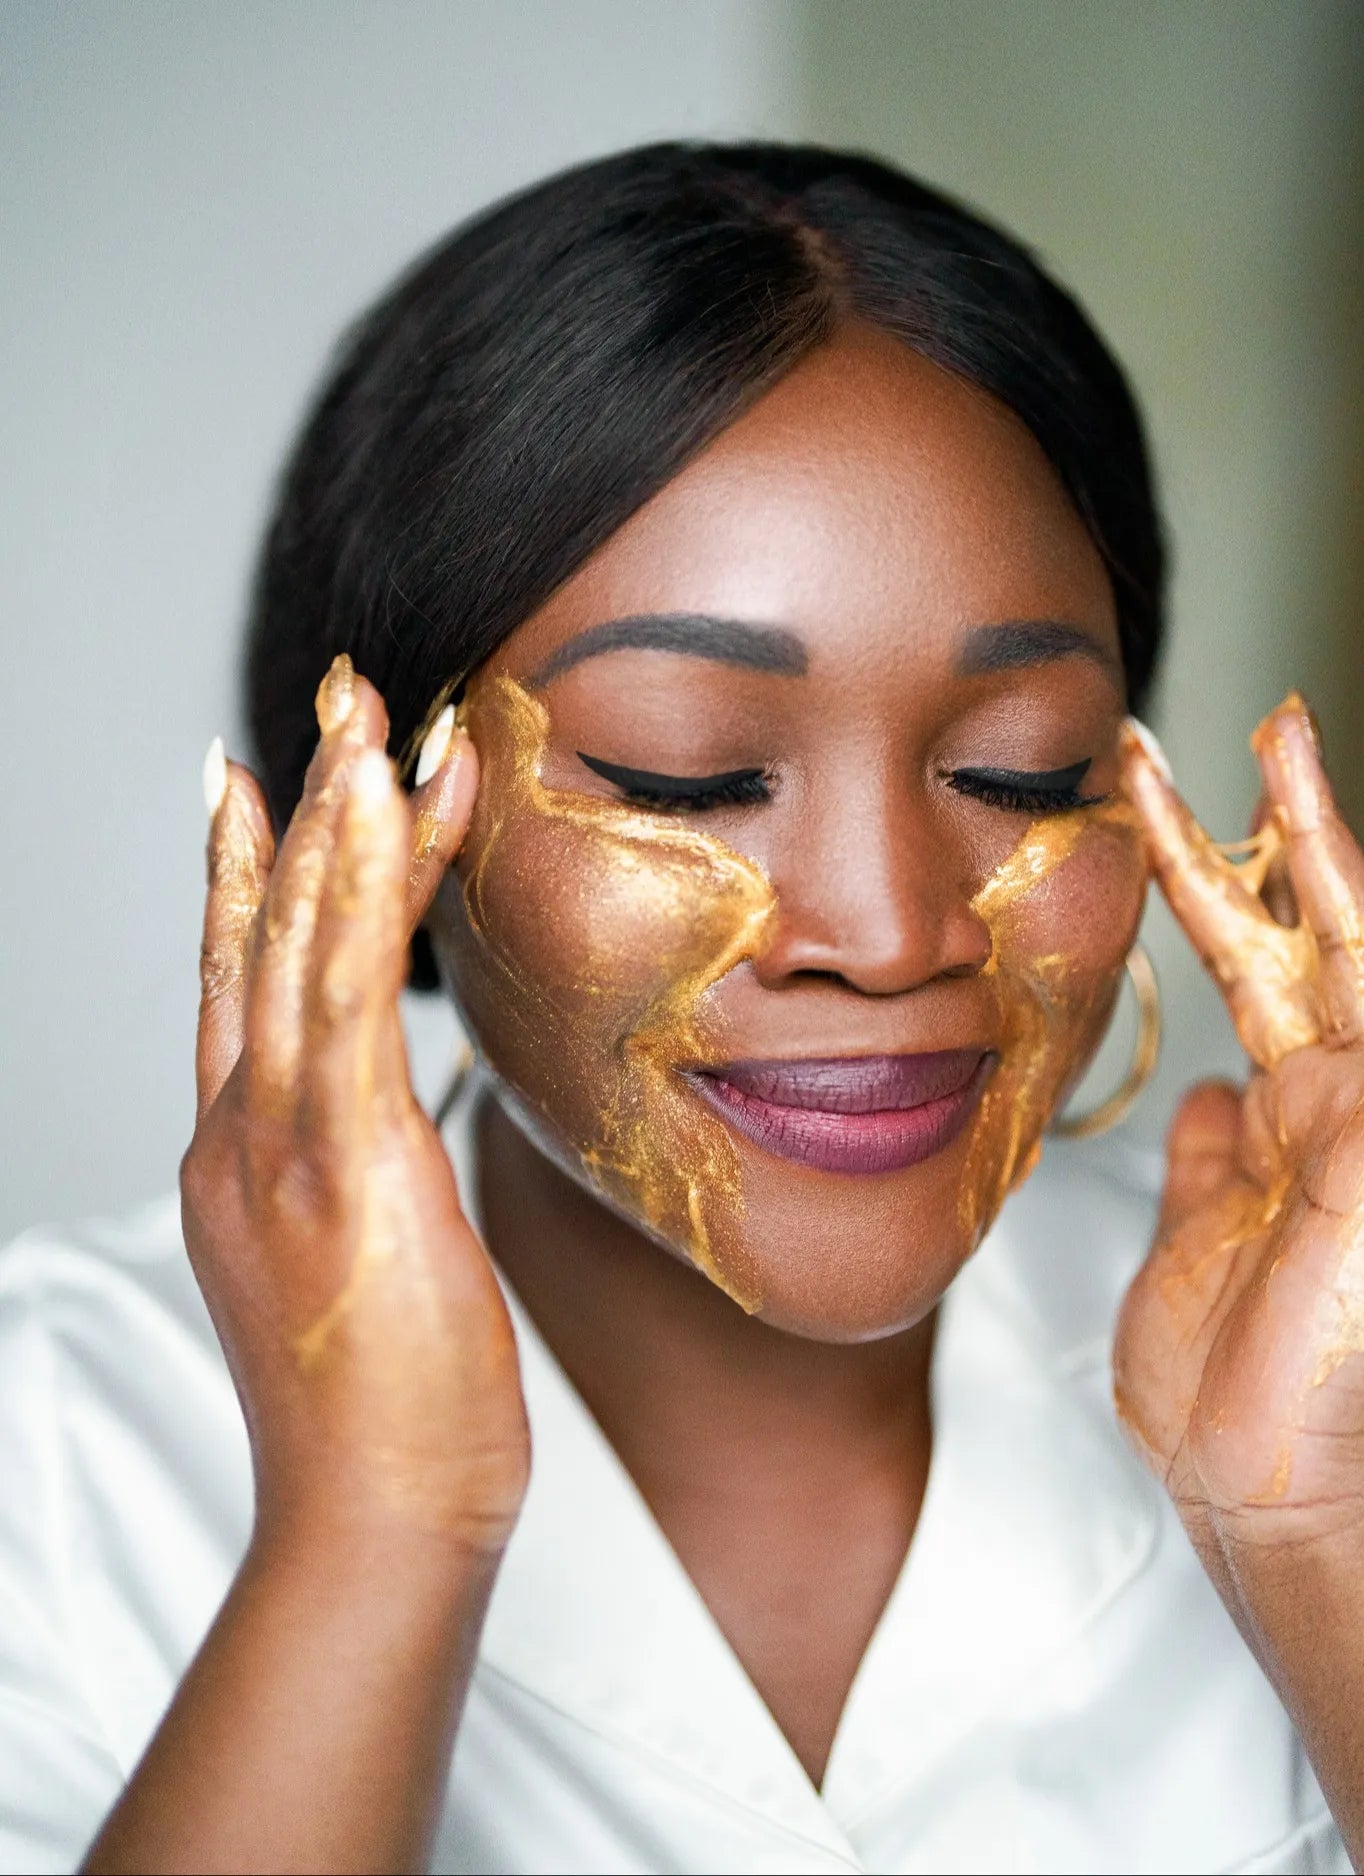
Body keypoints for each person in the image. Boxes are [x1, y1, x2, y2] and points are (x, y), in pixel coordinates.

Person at [1, 142, 1360, 1876]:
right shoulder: (55, 1444)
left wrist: (1317, 1535)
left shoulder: (1332, 1375)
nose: (886, 931)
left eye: (1022, 777)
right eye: (691, 774)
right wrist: (370, 1535)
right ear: (383, 817)